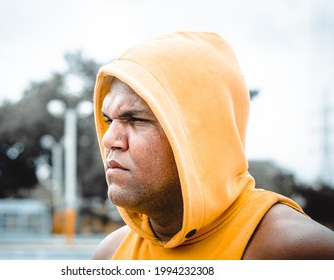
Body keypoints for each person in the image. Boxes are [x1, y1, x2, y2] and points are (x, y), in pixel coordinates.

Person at [91, 31, 334, 259]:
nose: (109, 139)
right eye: (108, 120)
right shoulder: (110, 255)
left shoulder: (297, 251)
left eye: (135, 119)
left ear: (198, 134)